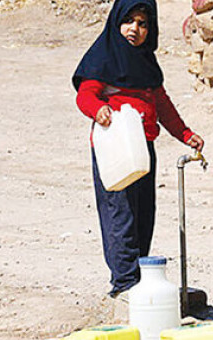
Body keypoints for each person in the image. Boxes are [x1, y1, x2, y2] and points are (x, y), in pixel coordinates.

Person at [72, 0, 204, 298]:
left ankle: (140, 279)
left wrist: (185, 134)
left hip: (143, 149)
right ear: (117, 22)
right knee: (121, 214)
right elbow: (86, 95)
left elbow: (162, 105)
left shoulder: (145, 63)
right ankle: (124, 283)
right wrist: (98, 110)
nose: (135, 29)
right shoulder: (104, 57)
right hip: (115, 149)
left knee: (144, 213)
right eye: (129, 21)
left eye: (143, 23)